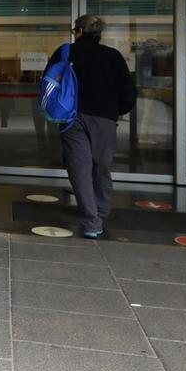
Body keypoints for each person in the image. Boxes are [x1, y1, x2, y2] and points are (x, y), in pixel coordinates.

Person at [53, 14, 135, 239]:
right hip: (105, 118)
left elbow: (49, 81)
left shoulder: (65, 52)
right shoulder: (113, 56)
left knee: (79, 166)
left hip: (72, 117)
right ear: (99, 34)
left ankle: (91, 220)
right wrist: (118, 110)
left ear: (79, 31)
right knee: (102, 164)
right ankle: (100, 209)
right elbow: (128, 90)